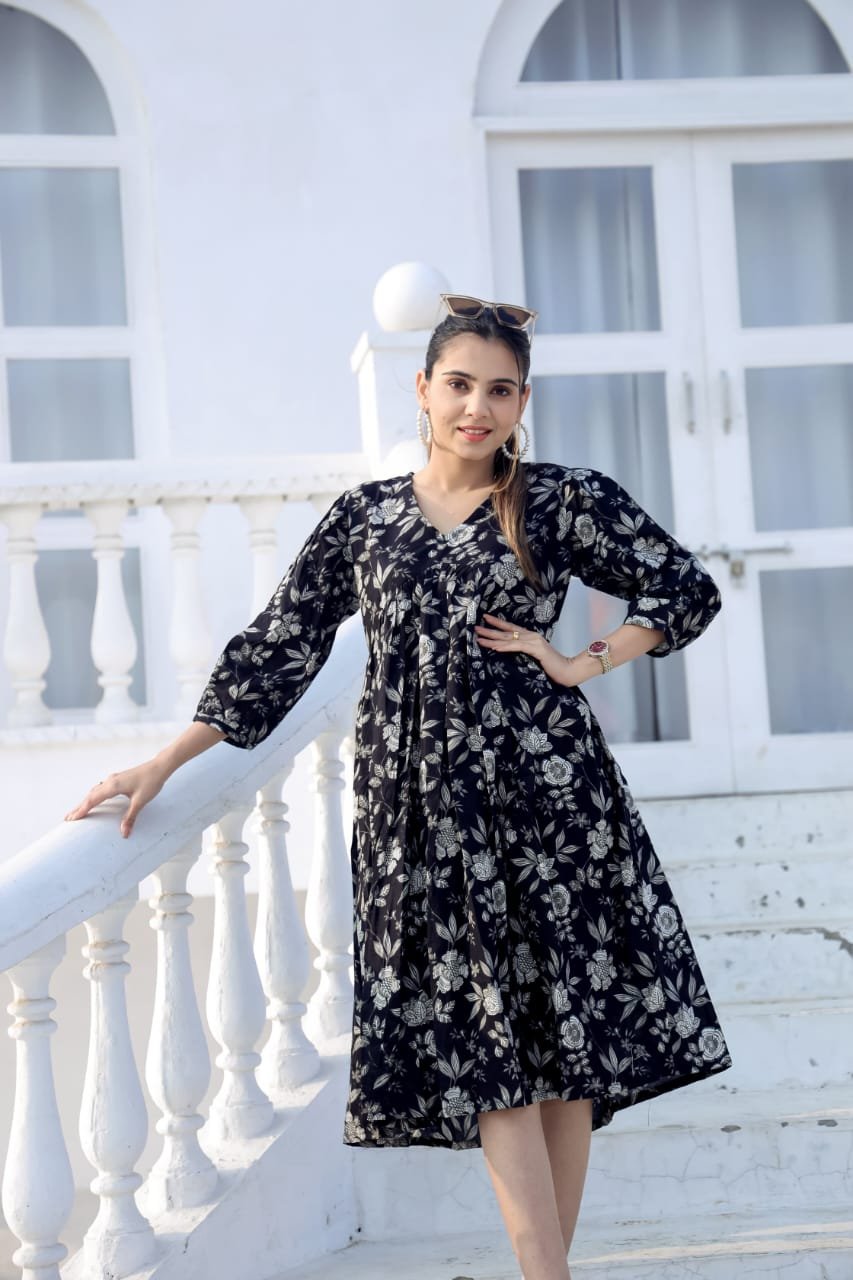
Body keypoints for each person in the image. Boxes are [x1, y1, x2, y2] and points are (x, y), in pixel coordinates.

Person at [66, 292, 734, 1280]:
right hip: (419, 811)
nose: (476, 407)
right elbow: (279, 644)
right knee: (488, 1044)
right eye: (458, 384)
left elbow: (684, 589)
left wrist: (578, 661)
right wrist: (166, 760)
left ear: (522, 401)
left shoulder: (560, 500)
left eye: (499, 390)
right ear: (421, 389)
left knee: (562, 1042)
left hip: (550, 797)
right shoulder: (366, 517)